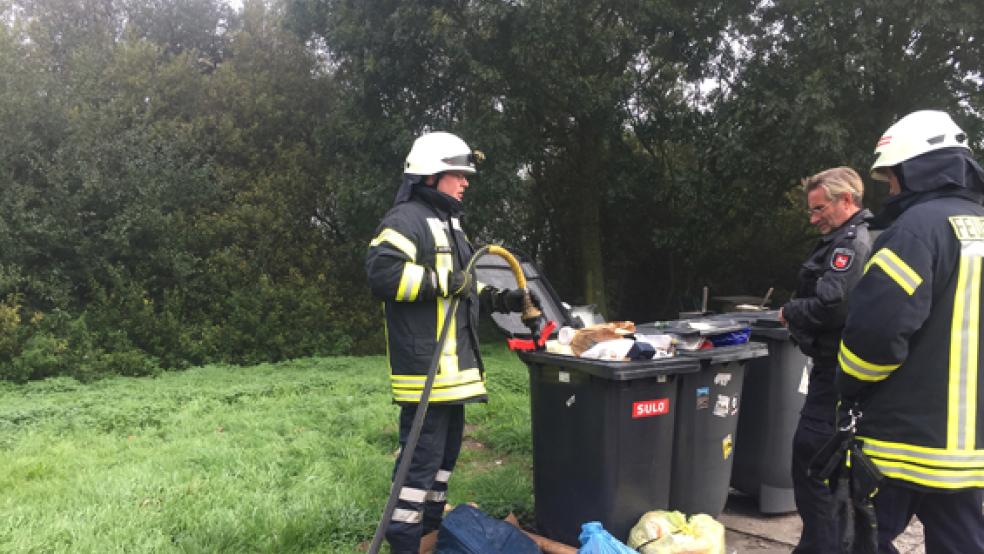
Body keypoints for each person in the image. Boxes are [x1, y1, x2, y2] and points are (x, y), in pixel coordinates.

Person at [365, 131, 532, 553]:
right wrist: (443, 280)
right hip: (426, 373)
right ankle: (404, 544)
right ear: (432, 175)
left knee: (442, 467)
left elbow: (466, 287)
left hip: (453, 376)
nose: (465, 182)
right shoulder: (405, 220)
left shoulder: (451, 226)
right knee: (417, 469)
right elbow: (382, 274)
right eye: (458, 174)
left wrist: (504, 299)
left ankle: (429, 537)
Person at [837, 110, 984, 553]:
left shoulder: (917, 231)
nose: (892, 190)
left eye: (893, 178)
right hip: (971, 453)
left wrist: (850, 386)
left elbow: (876, 336)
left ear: (916, 169)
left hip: (903, 444)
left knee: (860, 540)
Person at [778, 167, 873, 553]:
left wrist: (791, 311)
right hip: (830, 368)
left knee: (815, 463)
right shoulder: (844, 239)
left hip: (836, 370)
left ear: (846, 200)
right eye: (811, 211)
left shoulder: (849, 245)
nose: (814, 218)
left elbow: (831, 307)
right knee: (827, 468)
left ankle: (823, 547)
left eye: (820, 209)